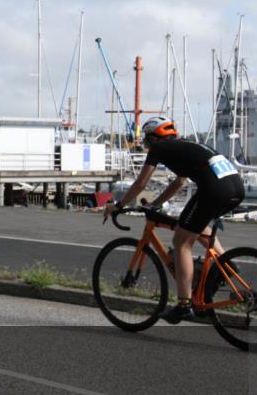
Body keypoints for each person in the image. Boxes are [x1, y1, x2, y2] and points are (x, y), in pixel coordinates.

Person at [103, 116, 245, 323]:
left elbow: (141, 183)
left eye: (146, 140)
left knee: (180, 241)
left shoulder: (159, 148)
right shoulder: (184, 146)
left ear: (152, 138)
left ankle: (184, 306)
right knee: (195, 226)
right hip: (236, 189)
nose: (146, 144)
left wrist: (118, 205)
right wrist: (156, 204)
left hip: (214, 190)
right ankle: (226, 265)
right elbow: (180, 182)